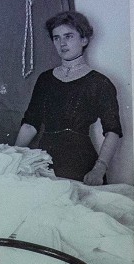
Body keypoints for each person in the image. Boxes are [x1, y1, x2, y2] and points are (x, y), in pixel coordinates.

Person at [13, 10, 122, 184]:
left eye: (68, 36)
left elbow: (113, 131)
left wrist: (98, 170)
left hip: (80, 162)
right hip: (44, 159)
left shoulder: (100, 82)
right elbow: (30, 124)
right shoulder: (45, 79)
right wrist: (14, 156)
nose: (62, 43)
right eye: (56, 38)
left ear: (84, 39)